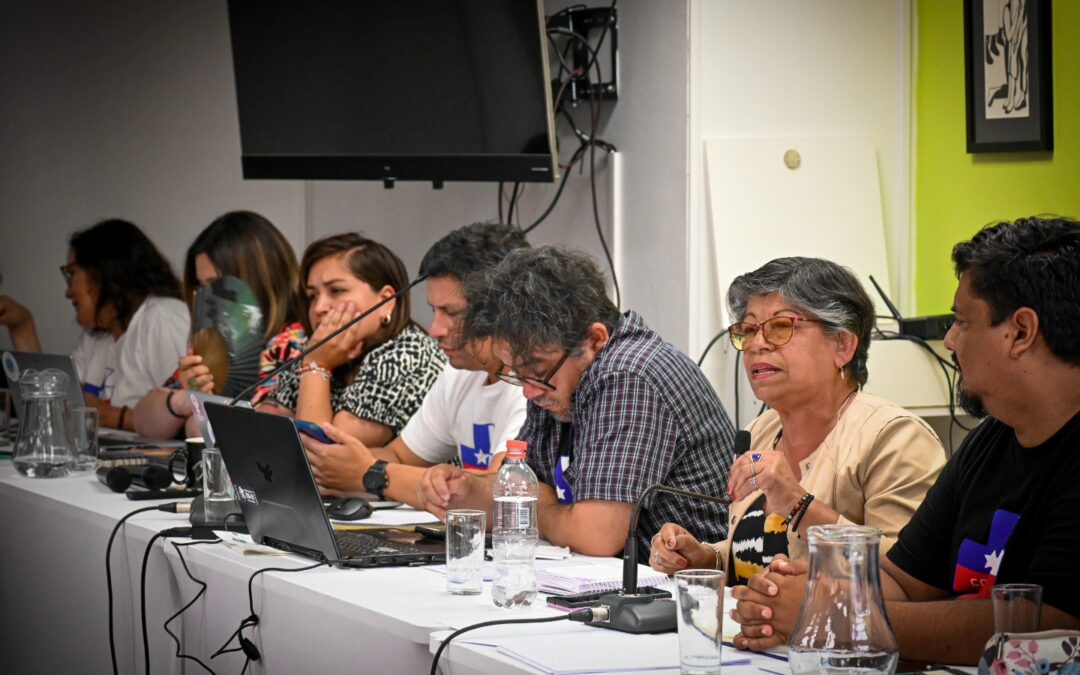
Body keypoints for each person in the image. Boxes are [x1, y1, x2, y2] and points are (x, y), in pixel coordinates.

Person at [732, 216, 1080, 665]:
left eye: (962, 322)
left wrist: (834, 613)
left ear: (1021, 332)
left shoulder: (894, 433)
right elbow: (903, 581)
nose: (949, 341)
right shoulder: (989, 442)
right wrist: (804, 588)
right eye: (749, 331)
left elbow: (1050, 630)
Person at [417, 245, 737, 558]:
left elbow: (596, 535)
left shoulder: (628, 375)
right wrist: (464, 489)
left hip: (688, 581)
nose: (528, 392)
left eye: (536, 370)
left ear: (595, 339)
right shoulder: (553, 379)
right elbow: (520, 488)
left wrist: (537, 509)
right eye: (517, 373)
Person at [648, 257, 944, 584]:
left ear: (842, 345)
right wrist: (706, 558)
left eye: (780, 327)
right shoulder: (760, 431)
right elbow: (760, 551)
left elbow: (908, 578)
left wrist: (798, 505)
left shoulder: (895, 437)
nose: (757, 344)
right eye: (749, 330)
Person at [300, 223, 530, 505]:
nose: (435, 330)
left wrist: (371, 474)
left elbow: (499, 493)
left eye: (452, 312)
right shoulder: (459, 374)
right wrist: (341, 466)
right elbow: (399, 456)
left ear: (502, 309)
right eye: (434, 310)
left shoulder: (533, 385)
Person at [132, 211, 307, 439]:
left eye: (217, 284)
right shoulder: (217, 343)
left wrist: (202, 407)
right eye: (201, 286)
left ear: (258, 279)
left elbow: (245, 437)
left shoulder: (293, 345)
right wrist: (182, 400)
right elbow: (143, 421)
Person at [261, 233, 445, 448]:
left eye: (337, 291)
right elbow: (262, 429)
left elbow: (320, 452)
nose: (319, 307)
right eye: (312, 296)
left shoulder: (411, 354)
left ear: (385, 301)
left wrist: (317, 366)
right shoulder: (321, 348)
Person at [1, 219, 188, 430]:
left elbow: (189, 416)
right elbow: (50, 410)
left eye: (71, 274)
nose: (68, 291)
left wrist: (110, 416)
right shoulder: (96, 335)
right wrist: (23, 326)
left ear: (104, 272)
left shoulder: (162, 318)